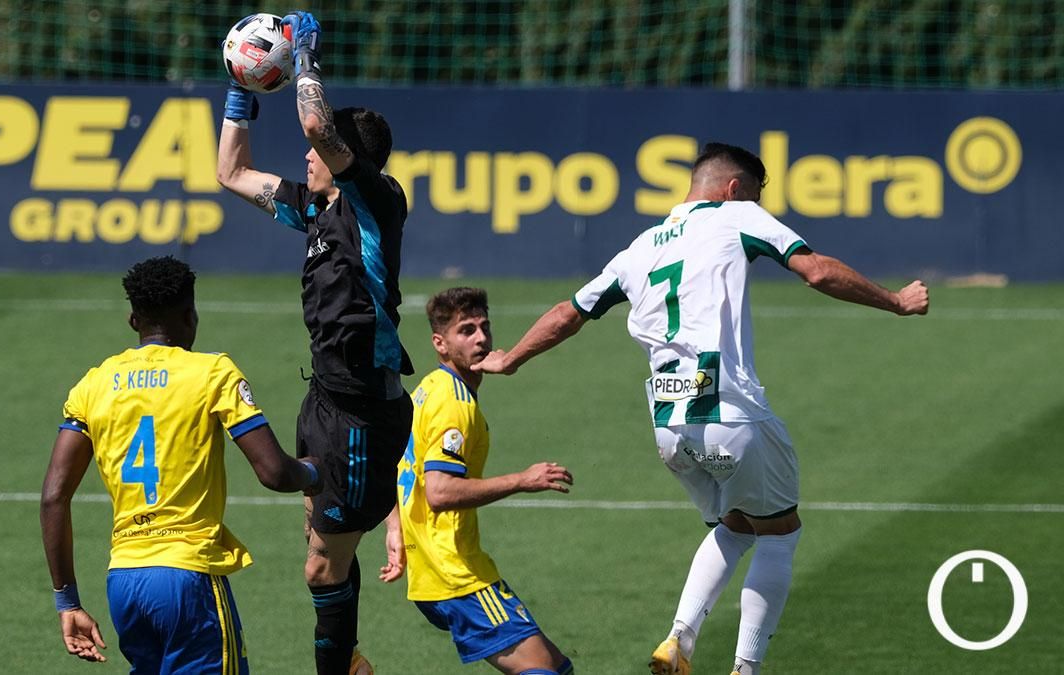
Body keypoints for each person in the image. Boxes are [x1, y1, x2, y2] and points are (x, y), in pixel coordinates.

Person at [473, 143, 930, 675]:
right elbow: (818, 272)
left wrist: (512, 359)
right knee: (781, 533)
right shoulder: (737, 216)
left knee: (735, 526)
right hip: (729, 412)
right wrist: (896, 301)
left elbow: (566, 314)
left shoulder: (638, 248)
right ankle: (745, 668)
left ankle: (678, 640)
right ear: (734, 189)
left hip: (670, 427)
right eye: (755, 193)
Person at [215, 11, 414, 675]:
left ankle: (338, 665)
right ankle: (348, 656)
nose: (305, 156)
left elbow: (314, 127)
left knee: (321, 566)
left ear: (345, 159)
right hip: (325, 399)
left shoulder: (375, 202)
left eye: (320, 153)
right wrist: (240, 87)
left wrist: (303, 57)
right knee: (323, 545)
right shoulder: (316, 208)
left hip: (363, 410)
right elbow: (231, 172)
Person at [39, 255, 321, 672]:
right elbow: (275, 473)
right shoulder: (212, 372)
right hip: (187, 576)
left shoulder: (94, 382)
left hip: (125, 581)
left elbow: (53, 497)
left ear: (133, 320)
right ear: (191, 315)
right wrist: (317, 470)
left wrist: (68, 601)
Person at [393, 287, 574, 674]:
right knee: (542, 671)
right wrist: (522, 480)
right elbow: (440, 491)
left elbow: (398, 463)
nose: (481, 339)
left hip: (433, 568)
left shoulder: (429, 388)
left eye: (484, 327)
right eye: (466, 330)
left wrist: (395, 527)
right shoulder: (454, 405)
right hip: (456, 572)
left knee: (556, 666)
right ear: (440, 343)